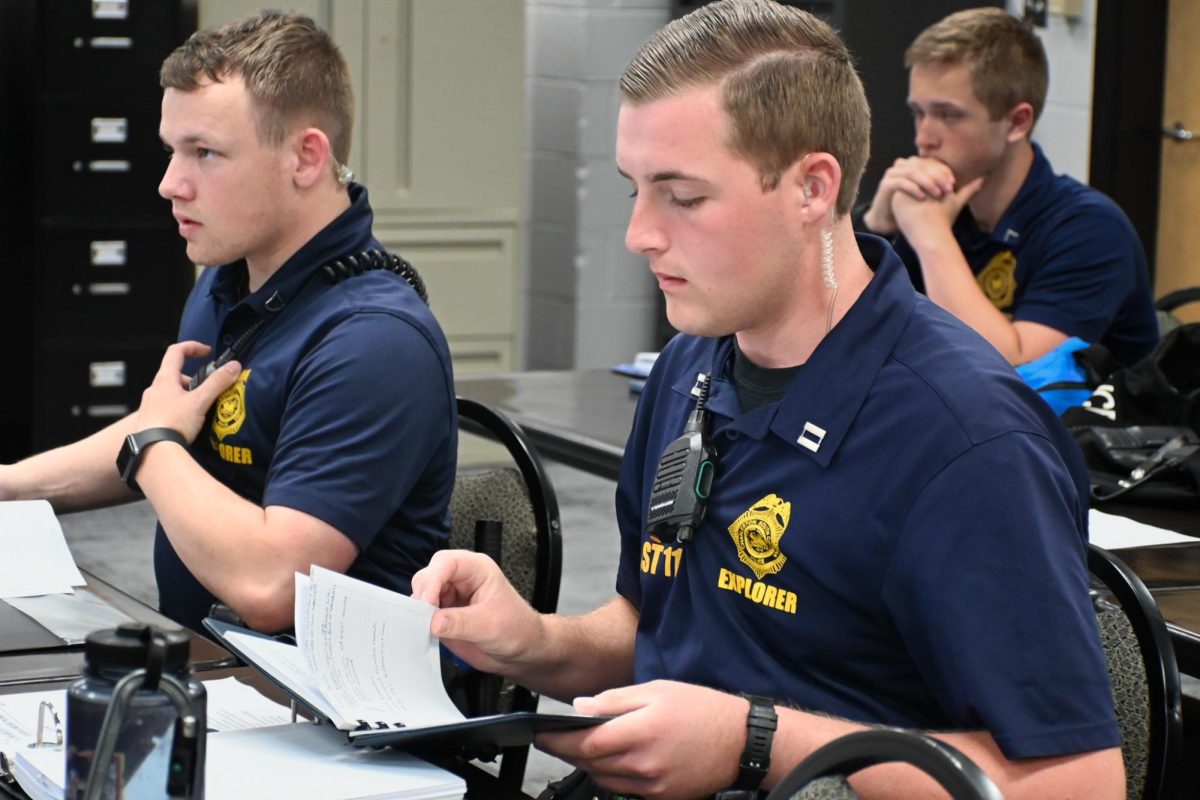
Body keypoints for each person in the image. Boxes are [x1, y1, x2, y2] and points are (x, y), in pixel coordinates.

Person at [411, 2, 1123, 798]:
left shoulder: (965, 440)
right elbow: (656, 629)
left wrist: (756, 742)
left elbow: (1076, 783)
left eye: (682, 197)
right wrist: (532, 643)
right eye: (634, 191)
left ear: (813, 188)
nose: (640, 234)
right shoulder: (689, 368)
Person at [0, 11, 456, 634]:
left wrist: (155, 444)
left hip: (325, 710)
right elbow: (168, 428)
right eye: (172, 151)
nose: (169, 185)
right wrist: (9, 486)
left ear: (305, 157)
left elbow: (271, 586)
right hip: (212, 669)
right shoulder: (232, 277)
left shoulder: (374, 340)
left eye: (205, 153)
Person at [860, 7, 1157, 368]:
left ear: (1017, 123)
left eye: (949, 115)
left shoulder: (1092, 229)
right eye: (918, 112)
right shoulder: (941, 206)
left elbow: (1011, 370)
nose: (923, 138)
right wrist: (876, 227)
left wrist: (930, 236)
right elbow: (847, 337)